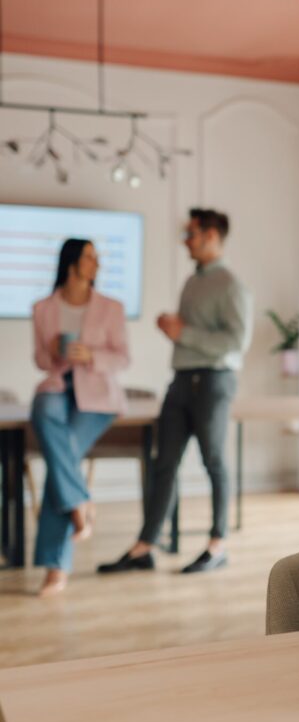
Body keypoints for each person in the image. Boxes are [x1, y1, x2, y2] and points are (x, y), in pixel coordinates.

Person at [99, 208, 252, 575]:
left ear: (213, 235)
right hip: (181, 380)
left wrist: (183, 333)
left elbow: (236, 342)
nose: (186, 240)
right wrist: (174, 329)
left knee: (214, 461)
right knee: (163, 462)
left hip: (214, 381)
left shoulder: (231, 284)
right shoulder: (191, 281)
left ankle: (217, 546)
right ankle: (144, 547)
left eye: (192, 233)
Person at [31, 238, 128, 596]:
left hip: (98, 395)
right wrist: (54, 352)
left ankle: (55, 566)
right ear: (72, 262)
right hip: (58, 386)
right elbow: (40, 361)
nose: (97, 263)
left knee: (64, 454)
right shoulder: (42, 307)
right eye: (90, 256)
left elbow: (122, 358)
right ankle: (79, 501)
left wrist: (91, 356)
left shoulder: (111, 307)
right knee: (43, 409)